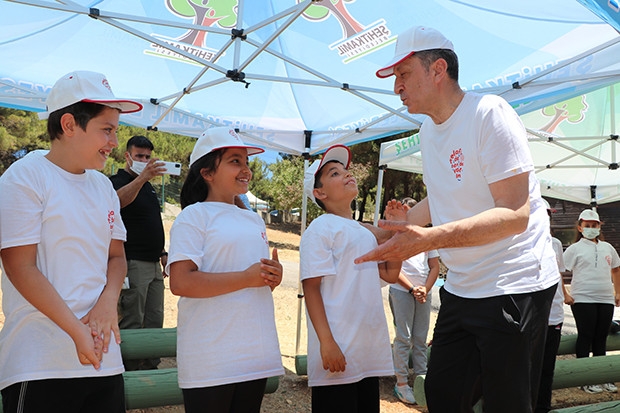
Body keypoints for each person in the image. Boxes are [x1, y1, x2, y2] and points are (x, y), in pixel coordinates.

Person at [357, 26, 559, 412]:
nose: (397, 87)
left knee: (508, 404)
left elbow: (515, 216)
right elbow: (440, 196)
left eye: (403, 74)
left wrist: (427, 240)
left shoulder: (489, 113)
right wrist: (384, 232)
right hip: (463, 287)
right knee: (444, 395)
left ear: (438, 69)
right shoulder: (428, 132)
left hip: (514, 283)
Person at [0, 70, 142, 412]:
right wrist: (77, 332)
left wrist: (108, 301)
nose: (113, 142)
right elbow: (20, 266)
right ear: (68, 124)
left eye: (115, 132)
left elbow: (116, 257)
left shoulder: (103, 187)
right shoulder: (25, 176)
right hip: (40, 361)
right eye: (106, 130)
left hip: (104, 361)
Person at [166, 127, 284, 413]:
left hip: (254, 352)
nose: (246, 170)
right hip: (211, 357)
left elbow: (255, 278)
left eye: (246, 162)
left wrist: (272, 276)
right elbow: (180, 282)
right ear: (207, 172)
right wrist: (246, 278)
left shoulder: (254, 221)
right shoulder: (193, 216)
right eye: (235, 161)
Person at [299, 144, 401, 413]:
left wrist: (399, 232)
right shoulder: (321, 227)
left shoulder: (363, 232)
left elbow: (390, 273)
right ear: (319, 193)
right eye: (334, 173)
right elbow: (311, 288)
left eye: (345, 170)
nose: (345, 174)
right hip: (337, 349)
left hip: (365, 353)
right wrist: (327, 342)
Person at [110, 135, 167, 371]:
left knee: (155, 319)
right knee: (133, 318)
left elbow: (150, 221)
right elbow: (116, 203)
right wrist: (143, 177)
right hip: (132, 262)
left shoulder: (148, 188)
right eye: (139, 156)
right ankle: (128, 371)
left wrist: (163, 252)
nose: (144, 160)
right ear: (127, 156)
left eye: (147, 156)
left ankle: (150, 368)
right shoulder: (116, 181)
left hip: (154, 263)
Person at [386, 197, 439, 405]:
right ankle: (401, 383)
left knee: (420, 338)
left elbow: (434, 267)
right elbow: (392, 269)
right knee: (403, 336)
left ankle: (421, 380)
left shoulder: (427, 238)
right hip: (401, 291)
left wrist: (424, 288)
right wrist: (411, 288)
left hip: (423, 293)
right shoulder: (396, 236)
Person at [563, 209, 620, 394]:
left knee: (601, 337)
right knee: (586, 335)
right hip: (582, 298)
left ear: (599, 226)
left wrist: (618, 292)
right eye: (587, 225)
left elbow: (616, 269)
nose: (591, 228)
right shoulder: (574, 249)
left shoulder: (607, 247)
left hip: (605, 298)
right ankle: (585, 378)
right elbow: (559, 270)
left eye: (594, 225)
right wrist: (565, 294)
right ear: (580, 227)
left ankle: (602, 377)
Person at [536, 200, 570, 413]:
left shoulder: (555, 243)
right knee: (528, 367)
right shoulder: (518, 242)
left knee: (547, 367)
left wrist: (565, 295)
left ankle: (543, 407)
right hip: (531, 316)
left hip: (554, 314)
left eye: (549, 214)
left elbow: (558, 274)